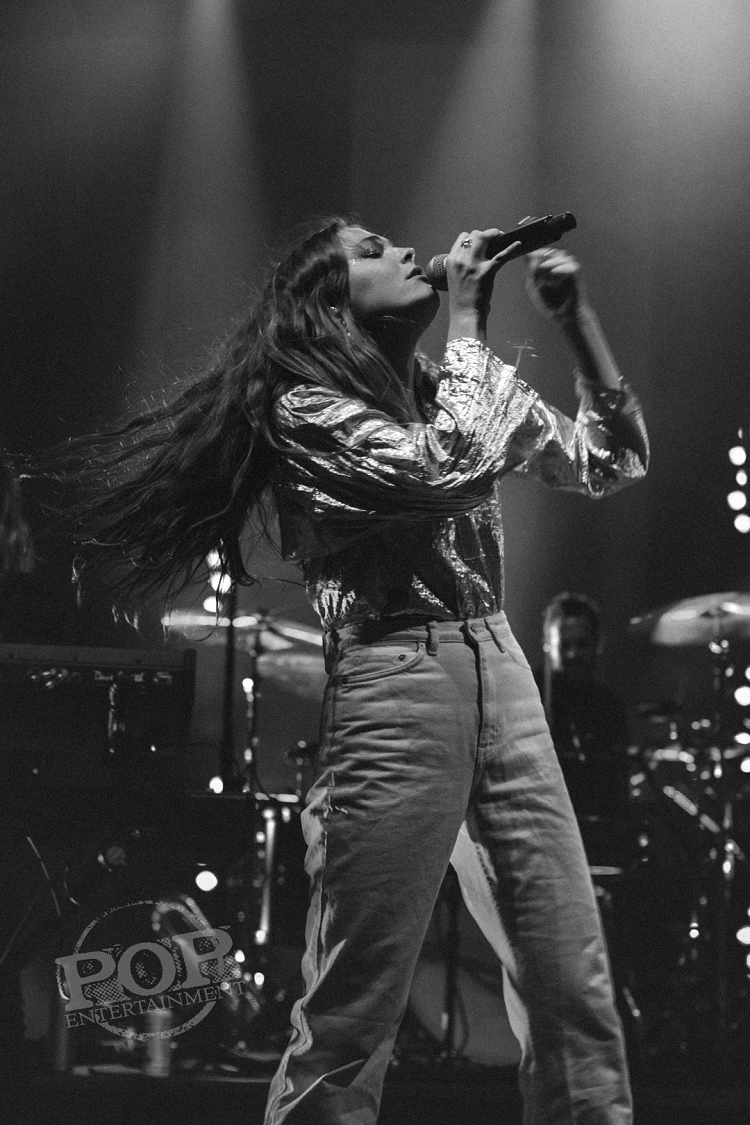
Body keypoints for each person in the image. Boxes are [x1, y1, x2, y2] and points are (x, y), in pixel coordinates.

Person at [73, 217, 648, 1124]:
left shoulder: (449, 386)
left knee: (571, 986)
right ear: (332, 305)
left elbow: (612, 460)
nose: (407, 251)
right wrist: (470, 319)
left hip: (502, 669)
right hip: (396, 680)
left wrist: (577, 323)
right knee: (352, 1009)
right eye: (372, 251)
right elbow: (444, 469)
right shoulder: (305, 412)